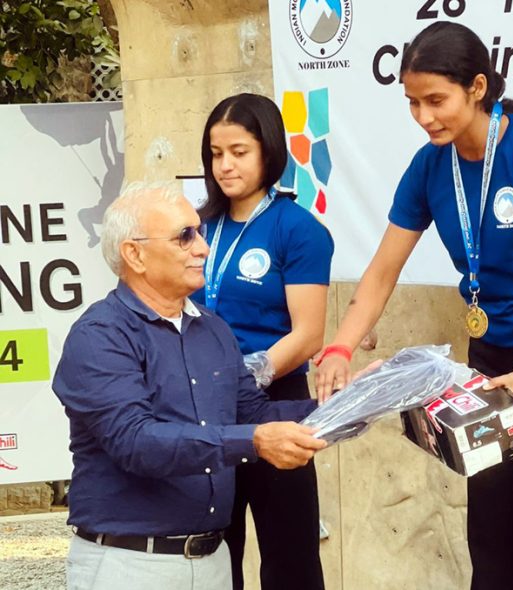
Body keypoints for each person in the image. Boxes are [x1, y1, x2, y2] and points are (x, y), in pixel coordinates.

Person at [315, 21, 513, 590]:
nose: (424, 116)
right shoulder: (430, 167)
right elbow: (381, 271)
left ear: (477, 87)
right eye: (412, 103)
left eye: (436, 100)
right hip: (491, 352)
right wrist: (339, 346)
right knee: (492, 524)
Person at [52, 182, 326, 590]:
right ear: (135, 254)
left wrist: (350, 404)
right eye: (185, 236)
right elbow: (136, 441)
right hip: (129, 567)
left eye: (198, 232)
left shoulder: (213, 330)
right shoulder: (99, 335)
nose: (202, 247)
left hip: (214, 562)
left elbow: (254, 413)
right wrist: (254, 442)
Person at [193, 93, 333, 590]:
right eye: (215, 153)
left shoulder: (298, 230)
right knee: (210, 552)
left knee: (289, 557)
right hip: (203, 410)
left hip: (275, 406)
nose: (225, 165)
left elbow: (309, 333)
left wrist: (245, 376)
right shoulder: (194, 226)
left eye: (239, 151)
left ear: (269, 151)